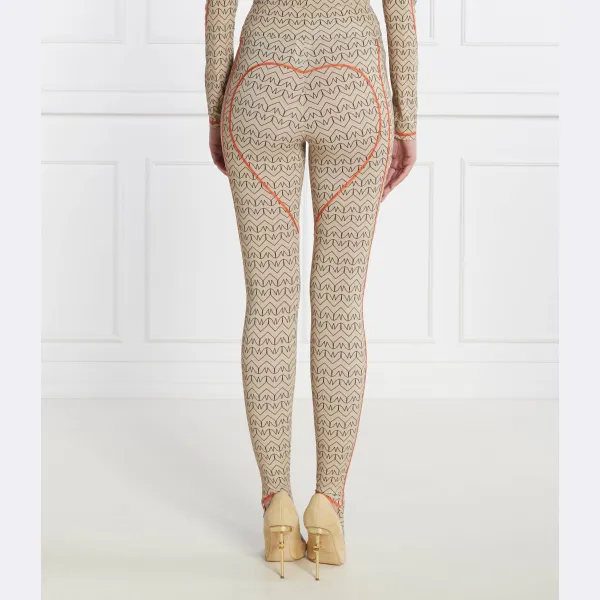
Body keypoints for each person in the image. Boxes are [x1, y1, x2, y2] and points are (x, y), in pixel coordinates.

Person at [205, 0, 417, 580]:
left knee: (268, 303)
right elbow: (400, 11)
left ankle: (277, 507)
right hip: (354, 86)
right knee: (340, 305)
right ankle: (328, 508)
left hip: (261, 85)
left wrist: (217, 113)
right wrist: (407, 121)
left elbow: (219, 8)